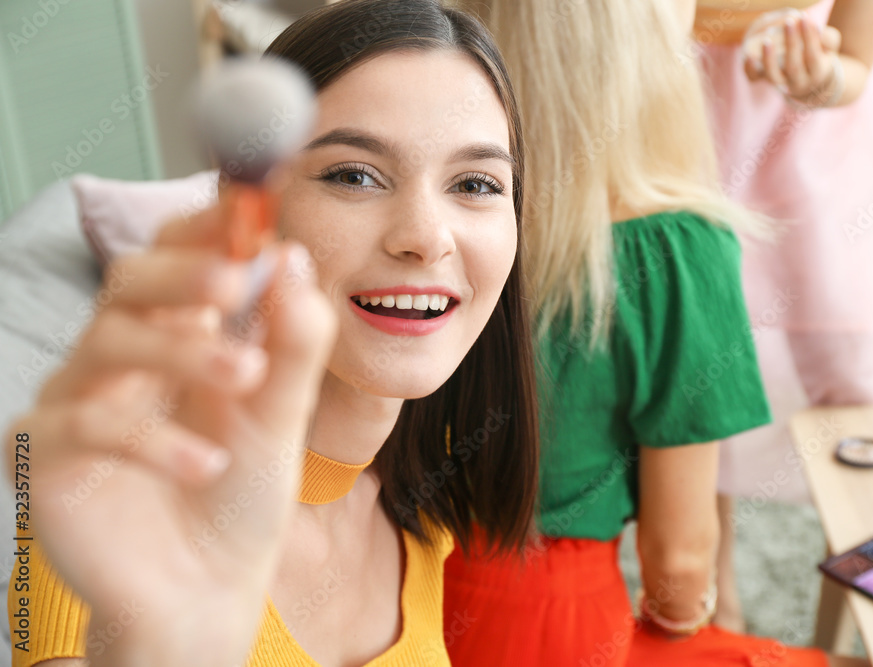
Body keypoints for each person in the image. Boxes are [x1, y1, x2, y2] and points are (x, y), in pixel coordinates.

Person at [5, 1, 539, 664]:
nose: (426, 238)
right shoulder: (131, 503)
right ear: (250, 206)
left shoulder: (426, 504)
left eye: (476, 182)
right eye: (353, 175)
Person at [443, 0, 867, 665]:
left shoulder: (427, 222)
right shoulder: (677, 248)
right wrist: (683, 623)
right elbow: (678, 563)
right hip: (554, 624)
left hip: (399, 600)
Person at [694, 0, 873, 630]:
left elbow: (857, 61)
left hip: (826, 176)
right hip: (686, 144)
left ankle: (851, 627)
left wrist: (820, 78)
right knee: (699, 390)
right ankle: (713, 611)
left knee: (858, 397)